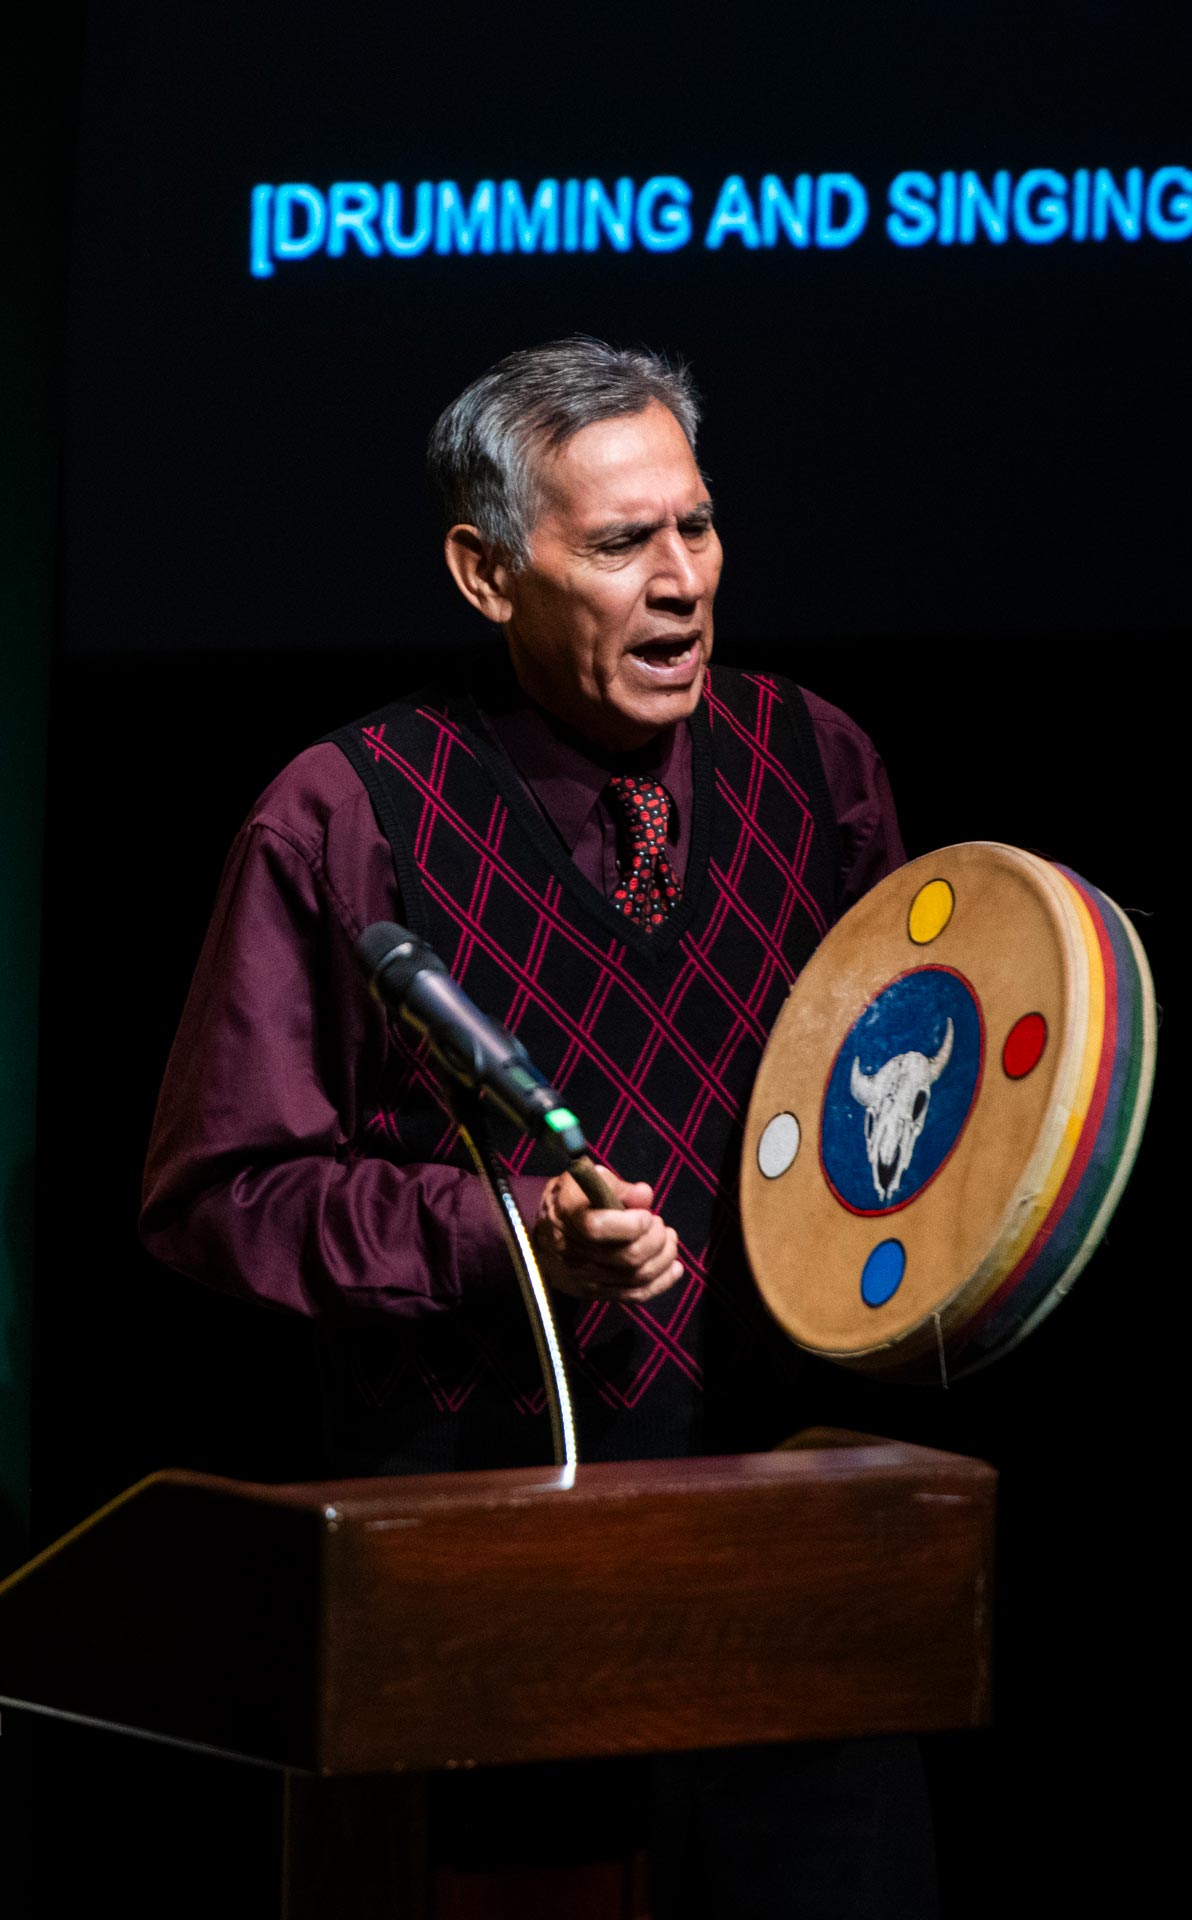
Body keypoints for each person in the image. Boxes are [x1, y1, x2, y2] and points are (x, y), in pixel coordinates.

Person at [142, 339, 931, 1915]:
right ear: (487, 570)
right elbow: (218, 1192)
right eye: (623, 543)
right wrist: (506, 1234)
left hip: (795, 1566)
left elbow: (897, 1117)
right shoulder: (346, 813)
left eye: (697, 528)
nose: (682, 583)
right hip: (500, 1571)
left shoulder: (819, 766)